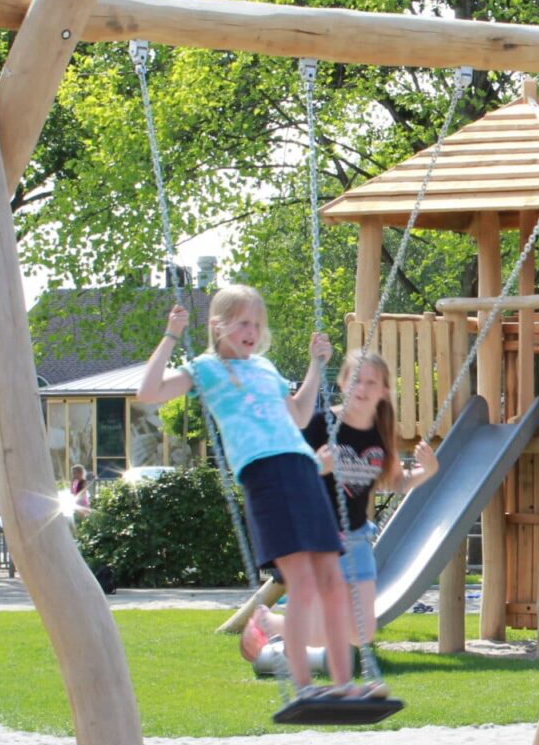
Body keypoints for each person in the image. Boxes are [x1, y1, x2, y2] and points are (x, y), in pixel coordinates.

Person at [136, 286, 366, 697]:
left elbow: (297, 415)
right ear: (218, 326)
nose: (252, 331)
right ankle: (303, 685)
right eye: (243, 322)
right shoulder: (205, 368)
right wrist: (171, 335)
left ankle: (344, 684)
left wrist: (316, 365)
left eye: (257, 325)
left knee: (332, 578)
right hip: (264, 473)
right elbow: (148, 393)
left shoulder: (264, 368)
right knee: (301, 582)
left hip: (303, 468)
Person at [304, 349, 438, 633]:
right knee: (318, 632)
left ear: (385, 391)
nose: (361, 388)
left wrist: (427, 471)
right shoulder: (320, 424)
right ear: (342, 383)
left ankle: (279, 627)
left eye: (371, 382)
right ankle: (271, 625)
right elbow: (291, 476)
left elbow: (395, 482)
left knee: (362, 632)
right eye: (356, 379)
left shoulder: (380, 432)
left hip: (356, 538)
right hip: (318, 539)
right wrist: (318, 465)